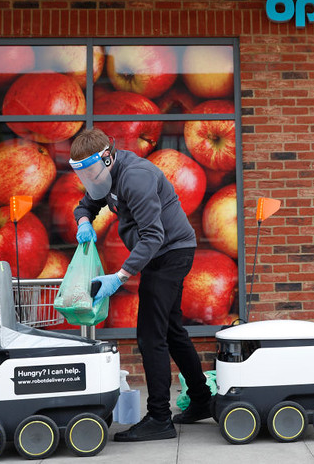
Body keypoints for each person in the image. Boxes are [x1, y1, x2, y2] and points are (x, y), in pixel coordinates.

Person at [69, 128, 213, 442]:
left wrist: (119, 277)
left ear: (107, 158)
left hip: (171, 253)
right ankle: (202, 400)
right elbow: (86, 205)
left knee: (150, 336)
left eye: (91, 172)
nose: (89, 180)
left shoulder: (136, 178)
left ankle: (160, 418)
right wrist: (83, 222)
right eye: (82, 174)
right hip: (159, 254)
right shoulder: (103, 177)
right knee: (172, 331)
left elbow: (153, 236)